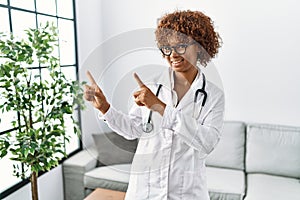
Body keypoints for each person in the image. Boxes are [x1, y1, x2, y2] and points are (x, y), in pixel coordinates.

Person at [84, 10, 224, 200]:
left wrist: (160, 107)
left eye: (181, 46)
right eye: (166, 47)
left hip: (186, 192)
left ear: (199, 46)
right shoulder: (152, 87)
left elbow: (207, 143)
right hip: (146, 189)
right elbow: (133, 129)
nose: (173, 54)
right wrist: (105, 108)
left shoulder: (213, 96)